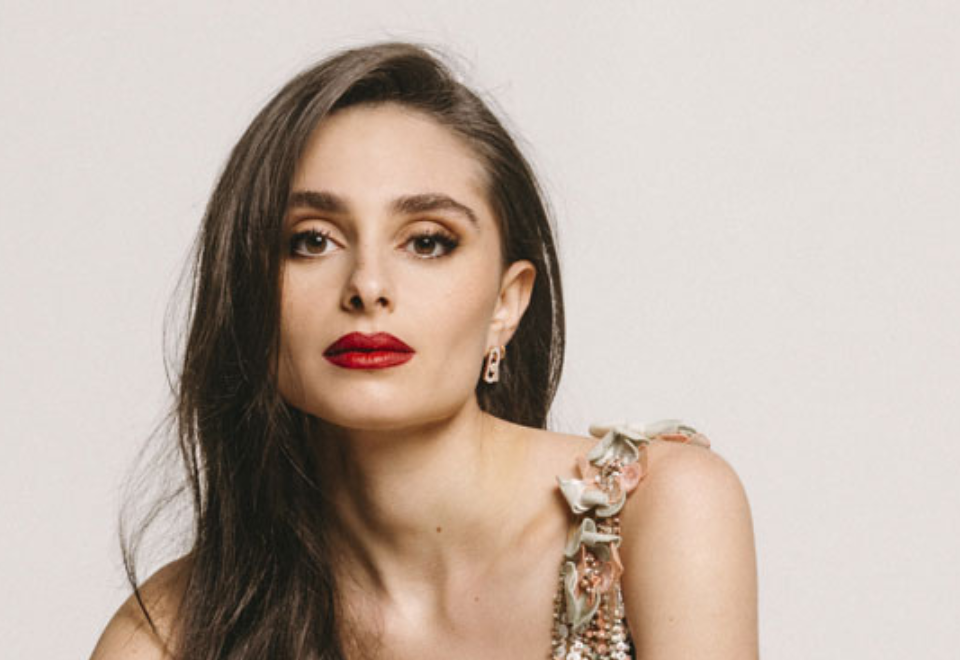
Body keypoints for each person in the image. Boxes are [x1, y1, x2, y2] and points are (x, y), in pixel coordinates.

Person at [90, 41, 758, 660]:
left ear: (506, 304)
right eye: (312, 240)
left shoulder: (658, 511)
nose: (367, 286)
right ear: (247, 295)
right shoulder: (170, 635)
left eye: (427, 241)